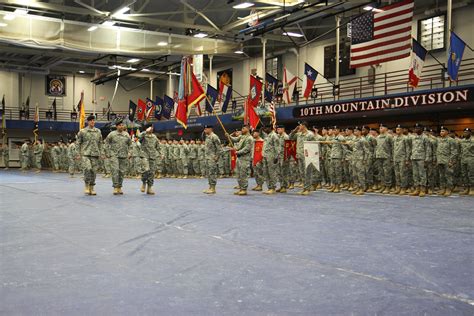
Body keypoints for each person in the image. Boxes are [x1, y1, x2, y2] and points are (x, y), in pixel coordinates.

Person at [76, 115, 103, 195]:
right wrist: (77, 153)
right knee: (87, 169)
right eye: (91, 120)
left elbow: (100, 143)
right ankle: (87, 186)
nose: (92, 122)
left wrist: (101, 153)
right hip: (85, 154)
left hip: (95, 154)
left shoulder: (98, 131)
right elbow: (78, 143)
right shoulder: (82, 131)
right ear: (88, 122)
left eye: (93, 120)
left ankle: (92, 187)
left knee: (93, 171)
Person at [105, 119, 132, 195]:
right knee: (115, 171)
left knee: (122, 172)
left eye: (122, 125)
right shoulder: (112, 134)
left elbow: (130, 145)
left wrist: (130, 152)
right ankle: (115, 187)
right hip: (114, 156)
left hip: (123, 156)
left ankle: (120, 187)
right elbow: (106, 143)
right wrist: (108, 152)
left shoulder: (126, 134)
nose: (121, 126)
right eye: (120, 125)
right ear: (116, 126)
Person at [290, 121, 317, 195]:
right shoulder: (299, 134)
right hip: (300, 155)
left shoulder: (310, 134)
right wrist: (294, 131)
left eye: (300, 125)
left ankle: (308, 189)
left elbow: (314, 145)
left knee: (307, 172)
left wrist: (313, 156)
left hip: (307, 156)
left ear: (304, 126)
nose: (299, 126)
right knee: (302, 173)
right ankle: (304, 188)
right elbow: (290, 138)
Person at [436, 126, 458, 196]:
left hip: (447, 161)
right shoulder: (439, 140)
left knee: (448, 176)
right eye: (440, 131)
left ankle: (449, 189)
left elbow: (454, 152)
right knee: (441, 176)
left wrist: (451, 161)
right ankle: (443, 188)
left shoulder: (451, 140)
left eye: (443, 131)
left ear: (447, 132)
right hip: (440, 160)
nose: (441, 132)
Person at [409, 123, 430, 197]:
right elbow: (412, 148)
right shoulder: (413, 138)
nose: (416, 129)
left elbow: (428, 149)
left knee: (422, 174)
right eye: (415, 128)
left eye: (418, 128)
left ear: (421, 129)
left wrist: (427, 159)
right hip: (414, 157)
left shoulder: (425, 137)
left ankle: (423, 189)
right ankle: (417, 189)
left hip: (422, 158)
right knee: (415, 174)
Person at [138, 124, 159, 195]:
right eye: (150, 127)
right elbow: (138, 137)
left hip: (152, 156)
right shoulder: (143, 135)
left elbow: (158, 146)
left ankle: (149, 188)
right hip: (144, 155)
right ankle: (144, 183)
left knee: (152, 173)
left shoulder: (154, 137)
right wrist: (145, 132)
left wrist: (161, 153)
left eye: (152, 127)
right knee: (146, 169)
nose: (151, 128)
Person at [233, 124, 253, 196]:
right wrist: (229, 136)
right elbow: (235, 139)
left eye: (243, 128)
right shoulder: (242, 136)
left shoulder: (249, 138)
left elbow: (247, 148)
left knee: (243, 174)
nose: (242, 130)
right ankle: (241, 188)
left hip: (245, 158)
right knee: (238, 174)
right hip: (239, 158)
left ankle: (244, 189)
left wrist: (238, 152)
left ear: (247, 129)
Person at [203, 125, 221, 194]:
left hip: (212, 158)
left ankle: (213, 188)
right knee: (209, 173)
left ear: (210, 129)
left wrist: (217, 157)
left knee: (212, 173)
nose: (205, 130)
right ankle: (210, 187)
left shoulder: (214, 137)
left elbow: (219, 148)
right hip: (207, 158)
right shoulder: (207, 137)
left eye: (206, 129)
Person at [375, 124, 393, 194]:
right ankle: (383, 185)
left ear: (386, 128)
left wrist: (392, 157)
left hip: (386, 156)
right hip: (379, 156)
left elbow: (392, 147)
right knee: (381, 172)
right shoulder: (378, 137)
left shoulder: (389, 136)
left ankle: (388, 186)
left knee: (387, 172)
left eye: (382, 128)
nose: (380, 129)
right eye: (380, 128)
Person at [459, 128, 474, 195]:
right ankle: (466, 188)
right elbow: (460, 150)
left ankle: (472, 188)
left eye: (467, 132)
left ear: (470, 133)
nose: (465, 133)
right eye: (464, 132)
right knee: (464, 174)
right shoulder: (462, 141)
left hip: (471, 159)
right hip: (463, 159)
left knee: (471, 174)